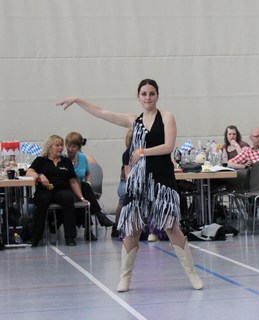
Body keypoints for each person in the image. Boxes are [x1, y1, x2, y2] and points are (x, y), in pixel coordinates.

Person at [57, 79, 203, 292]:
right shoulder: (134, 121)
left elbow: (168, 146)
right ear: (138, 97)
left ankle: (192, 273)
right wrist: (78, 100)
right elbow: (101, 112)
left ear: (157, 95)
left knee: (171, 227)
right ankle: (125, 277)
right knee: (132, 229)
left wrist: (142, 152)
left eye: (151, 93)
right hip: (139, 182)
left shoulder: (167, 117)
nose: (148, 97)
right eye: (144, 94)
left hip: (162, 180)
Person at [26, 135, 89, 247]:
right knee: (43, 200)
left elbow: (73, 181)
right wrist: (39, 175)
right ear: (50, 147)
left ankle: (70, 236)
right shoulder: (41, 160)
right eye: (57, 145)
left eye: (61, 145)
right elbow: (29, 172)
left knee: (67, 197)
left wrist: (81, 197)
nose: (60, 148)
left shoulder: (66, 162)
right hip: (44, 190)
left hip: (61, 190)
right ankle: (35, 236)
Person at [64, 132, 114, 240]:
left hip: (81, 189)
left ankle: (90, 227)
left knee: (86, 190)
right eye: (68, 145)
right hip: (67, 188)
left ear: (79, 147)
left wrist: (88, 183)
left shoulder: (82, 158)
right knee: (85, 191)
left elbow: (88, 174)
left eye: (74, 146)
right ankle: (98, 216)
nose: (70, 149)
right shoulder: (62, 158)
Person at [112, 129, 133, 238]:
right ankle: (116, 225)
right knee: (124, 195)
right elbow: (127, 175)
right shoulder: (127, 154)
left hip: (140, 181)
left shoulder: (143, 152)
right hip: (126, 181)